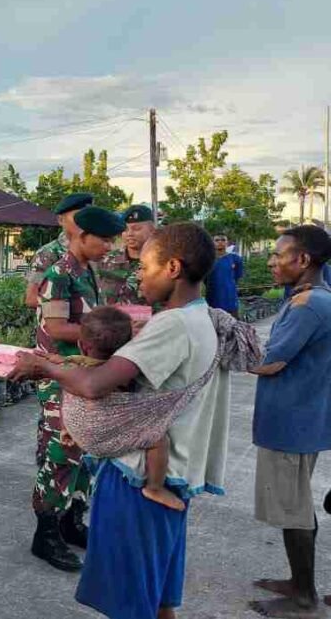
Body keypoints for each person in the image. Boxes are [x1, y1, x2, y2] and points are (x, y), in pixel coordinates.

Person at [12, 222, 229, 619]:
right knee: (157, 597)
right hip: (172, 475)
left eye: (146, 267)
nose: (139, 276)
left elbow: (95, 385)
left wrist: (43, 367)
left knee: (129, 602)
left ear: (173, 268)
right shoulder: (204, 318)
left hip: (138, 480)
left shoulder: (172, 325)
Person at [31, 205, 125, 572]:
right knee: (59, 454)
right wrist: (111, 333)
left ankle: (72, 519)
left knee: (84, 452)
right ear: (81, 236)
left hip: (84, 377)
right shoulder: (59, 274)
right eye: (103, 239)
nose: (108, 245)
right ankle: (46, 532)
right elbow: (55, 327)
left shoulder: (89, 273)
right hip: (60, 376)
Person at [249, 225, 331, 618]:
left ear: (303, 260)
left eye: (279, 254)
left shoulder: (310, 305)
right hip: (297, 419)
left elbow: (268, 363)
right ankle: (300, 583)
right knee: (295, 507)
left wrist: (221, 341)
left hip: (293, 424)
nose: (271, 261)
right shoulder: (306, 298)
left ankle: (304, 599)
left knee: (294, 509)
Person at [46, 305, 184, 512]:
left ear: (82, 346)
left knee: (66, 391)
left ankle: (66, 429)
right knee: (159, 440)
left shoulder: (78, 366)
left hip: (82, 431)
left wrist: (56, 362)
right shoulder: (123, 369)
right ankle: (155, 487)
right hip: (108, 433)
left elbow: (67, 365)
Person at [24, 193, 94, 308]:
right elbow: (31, 298)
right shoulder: (47, 254)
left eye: (89, 217)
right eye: (78, 217)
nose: (85, 222)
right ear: (61, 220)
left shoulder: (95, 251)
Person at [97, 204, 156, 305]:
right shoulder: (106, 260)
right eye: (125, 229)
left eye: (136, 229)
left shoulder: (160, 264)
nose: (129, 234)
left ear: (152, 230)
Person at [205, 234, 244, 315]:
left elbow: (237, 277)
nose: (220, 242)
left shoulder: (235, 259)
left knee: (232, 326)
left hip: (230, 302)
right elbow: (204, 279)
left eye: (223, 240)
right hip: (212, 301)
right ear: (212, 243)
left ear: (227, 242)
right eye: (217, 240)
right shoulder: (207, 260)